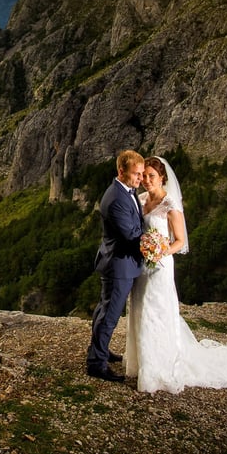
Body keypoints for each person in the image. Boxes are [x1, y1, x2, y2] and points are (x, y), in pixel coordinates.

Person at [125, 156, 227, 393]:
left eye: (151, 176)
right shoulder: (141, 199)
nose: (146, 180)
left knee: (158, 312)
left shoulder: (170, 205)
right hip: (142, 267)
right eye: (144, 175)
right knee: (139, 310)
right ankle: (140, 363)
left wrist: (161, 250)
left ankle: (160, 367)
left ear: (162, 178)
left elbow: (180, 241)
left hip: (160, 267)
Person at [86, 149, 145, 382]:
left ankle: (99, 351)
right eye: (136, 174)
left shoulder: (124, 191)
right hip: (119, 265)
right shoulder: (117, 199)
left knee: (103, 309)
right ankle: (96, 364)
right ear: (121, 171)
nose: (140, 179)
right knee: (109, 315)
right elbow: (131, 235)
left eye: (141, 174)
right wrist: (154, 242)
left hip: (116, 262)